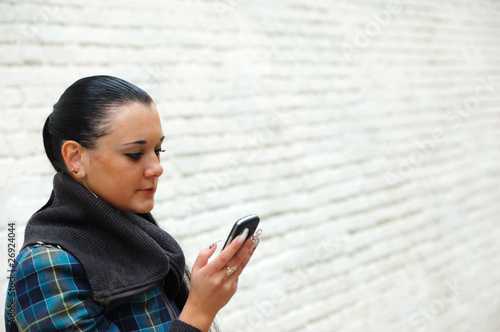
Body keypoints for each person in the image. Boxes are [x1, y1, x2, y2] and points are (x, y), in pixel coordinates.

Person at [4, 75, 261, 332]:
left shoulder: (134, 233)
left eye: (158, 150)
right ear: (76, 158)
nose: (157, 168)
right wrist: (200, 311)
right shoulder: (46, 267)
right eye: (135, 154)